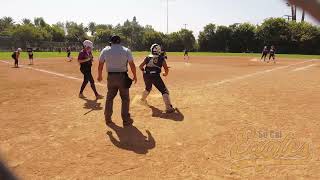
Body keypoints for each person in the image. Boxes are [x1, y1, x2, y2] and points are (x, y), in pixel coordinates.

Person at [98, 35, 137, 127]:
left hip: (111, 77)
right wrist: (135, 75)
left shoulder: (105, 50)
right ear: (120, 42)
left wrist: (99, 75)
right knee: (125, 98)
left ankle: (107, 118)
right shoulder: (126, 50)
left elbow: (100, 65)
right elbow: (132, 64)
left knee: (109, 98)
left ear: (111, 42)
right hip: (122, 77)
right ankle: (126, 120)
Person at [139, 44, 175, 113]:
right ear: (158, 50)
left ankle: (142, 100)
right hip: (155, 76)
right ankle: (168, 108)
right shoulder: (161, 58)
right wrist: (165, 73)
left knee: (148, 88)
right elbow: (166, 69)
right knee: (164, 91)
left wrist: (144, 71)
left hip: (146, 75)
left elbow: (140, 66)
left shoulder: (147, 57)